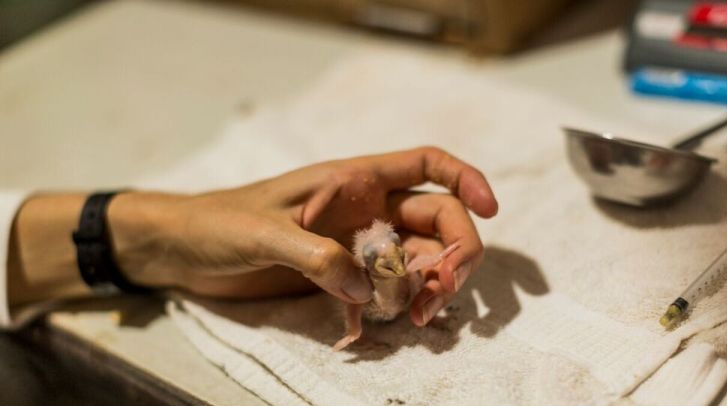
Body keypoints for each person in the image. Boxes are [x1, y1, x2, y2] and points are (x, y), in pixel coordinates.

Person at [2, 147, 498, 330]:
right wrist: (168, 232)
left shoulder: (386, 257)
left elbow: (396, 272)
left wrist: (167, 237)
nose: (390, 259)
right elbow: (359, 298)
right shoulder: (366, 263)